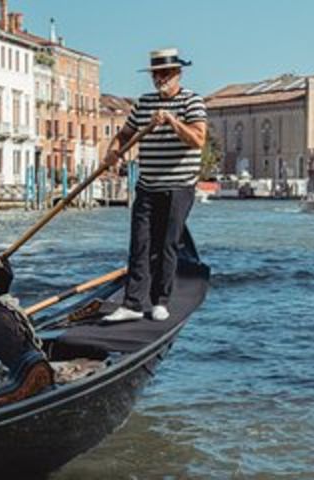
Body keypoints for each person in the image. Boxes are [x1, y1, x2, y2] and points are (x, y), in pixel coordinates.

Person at [102, 48, 207, 322]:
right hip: (148, 184)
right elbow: (125, 135)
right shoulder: (144, 103)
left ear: (177, 74)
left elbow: (197, 139)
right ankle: (133, 304)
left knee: (168, 243)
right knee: (140, 243)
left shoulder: (192, 102)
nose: (160, 79)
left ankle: (161, 300)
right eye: (156, 74)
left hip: (179, 185)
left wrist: (172, 121)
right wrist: (114, 151)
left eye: (165, 74)